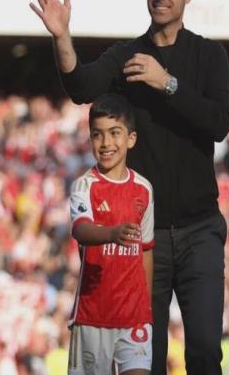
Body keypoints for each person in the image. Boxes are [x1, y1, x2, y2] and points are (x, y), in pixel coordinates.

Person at [29, 0, 229, 375]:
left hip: (199, 229)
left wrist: (167, 83)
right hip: (143, 236)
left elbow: (219, 123)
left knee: (203, 352)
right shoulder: (125, 55)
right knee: (146, 357)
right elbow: (81, 87)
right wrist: (62, 37)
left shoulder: (209, 55)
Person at [68, 93, 154, 374]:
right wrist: (112, 233)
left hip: (134, 318)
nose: (105, 143)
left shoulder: (144, 189)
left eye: (114, 133)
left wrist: (146, 308)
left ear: (131, 138)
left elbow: (146, 250)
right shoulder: (84, 185)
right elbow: (81, 229)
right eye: (98, 134)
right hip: (93, 315)